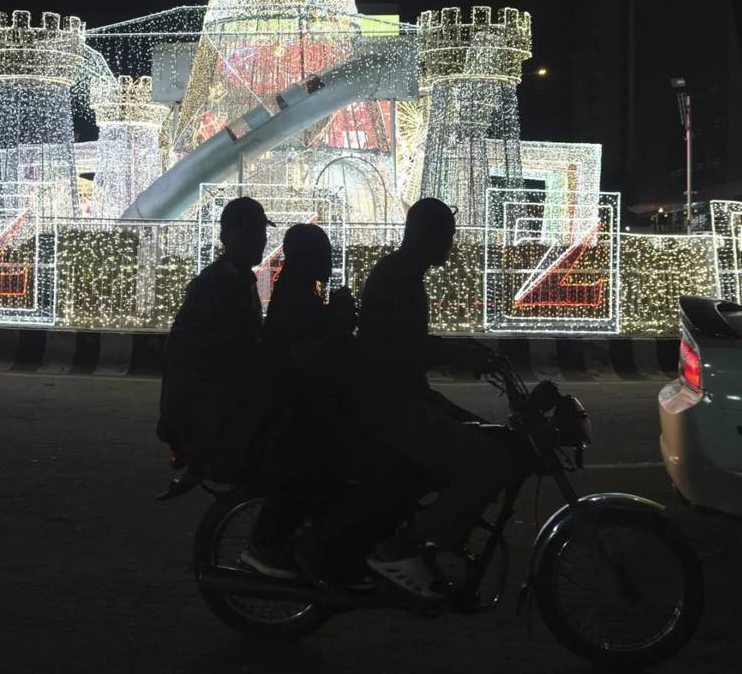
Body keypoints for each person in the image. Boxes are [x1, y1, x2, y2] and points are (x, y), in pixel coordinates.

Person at [344, 197, 517, 598]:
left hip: (404, 396)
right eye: (447, 236)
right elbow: (402, 348)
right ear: (426, 235)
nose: (451, 245)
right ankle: (401, 547)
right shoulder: (397, 278)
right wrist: (457, 352)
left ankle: (442, 539)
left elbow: (412, 346)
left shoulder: (403, 273)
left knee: (484, 435)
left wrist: (462, 351)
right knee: (486, 465)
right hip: (390, 405)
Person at [239, 222, 360, 582]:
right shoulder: (294, 293)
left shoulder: (301, 289)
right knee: (313, 465)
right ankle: (269, 543)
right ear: (309, 257)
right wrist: (338, 324)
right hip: (294, 404)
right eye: (322, 252)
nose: (329, 258)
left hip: (302, 397)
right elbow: (304, 351)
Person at [157, 197, 273, 482]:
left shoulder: (238, 280)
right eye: (251, 233)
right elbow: (207, 354)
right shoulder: (215, 286)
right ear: (228, 237)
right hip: (214, 409)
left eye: (261, 232)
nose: (260, 240)